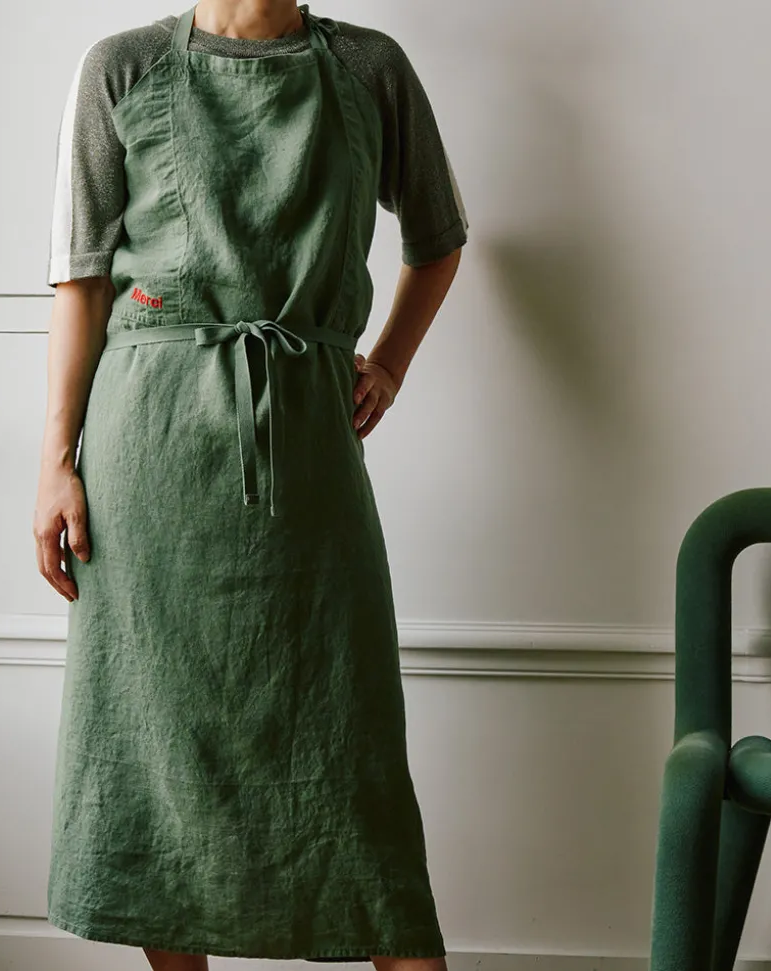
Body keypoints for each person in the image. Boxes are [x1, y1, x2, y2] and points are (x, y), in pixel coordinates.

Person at [32, 1, 467, 968]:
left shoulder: (372, 68)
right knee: (157, 757)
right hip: (149, 457)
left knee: (354, 757)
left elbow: (439, 237)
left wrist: (390, 363)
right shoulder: (121, 68)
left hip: (311, 453)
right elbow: (82, 279)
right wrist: (56, 460)